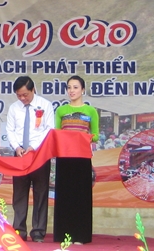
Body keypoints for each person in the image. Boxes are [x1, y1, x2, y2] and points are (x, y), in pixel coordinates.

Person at [6, 75, 54, 243]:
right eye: (19, 95)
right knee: (19, 193)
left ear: (33, 90)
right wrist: (17, 147)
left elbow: (49, 129)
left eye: (25, 94)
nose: (22, 98)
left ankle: (38, 231)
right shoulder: (14, 108)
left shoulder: (45, 105)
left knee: (40, 192)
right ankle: (19, 230)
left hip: (39, 154)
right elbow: (10, 130)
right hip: (20, 155)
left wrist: (33, 146)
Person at [53, 75, 99, 244]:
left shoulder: (91, 111)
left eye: (75, 87)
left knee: (81, 196)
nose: (71, 91)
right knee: (65, 196)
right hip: (64, 158)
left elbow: (96, 135)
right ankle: (64, 235)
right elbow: (57, 134)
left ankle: (81, 235)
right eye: (69, 87)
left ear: (83, 90)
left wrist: (82, 137)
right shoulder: (61, 110)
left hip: (82, 158)